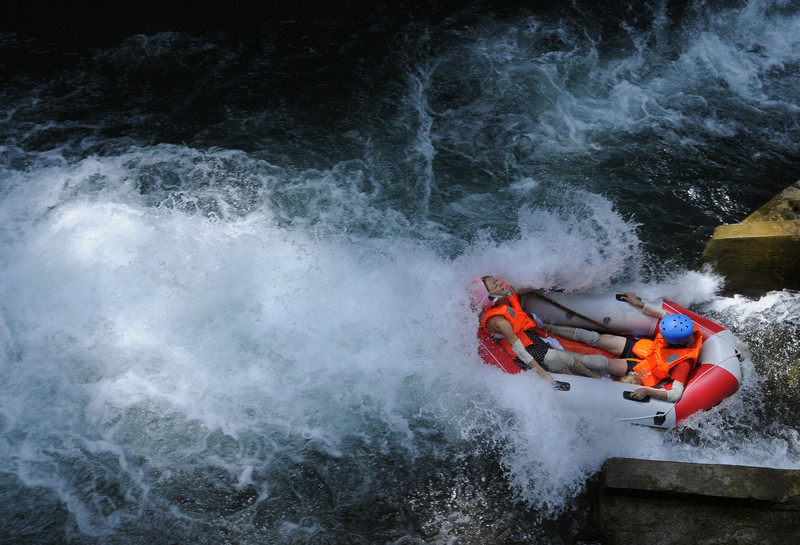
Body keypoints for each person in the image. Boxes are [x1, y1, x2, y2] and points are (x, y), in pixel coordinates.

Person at [540, 294, 703, 403]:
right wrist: (638, 303)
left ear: (675, 342)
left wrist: (647, 392)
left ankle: (552, 352)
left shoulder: (683, 363)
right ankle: (545, 327)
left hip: (643, 369)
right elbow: (664, 315)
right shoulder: (680, 324)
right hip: (646, 349)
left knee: (597, 362)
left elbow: (675, 395)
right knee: (593, 338)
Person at [470, 276, 603, 382]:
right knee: (556, 360)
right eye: (495, 285)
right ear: (491, 298)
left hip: (531, 339)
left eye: (496, 280)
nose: (499, 283)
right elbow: (519, 350)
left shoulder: (506, 294)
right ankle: (580, 382)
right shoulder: (498, 321)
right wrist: (543, 373)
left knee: (566, 359)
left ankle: (598, 378)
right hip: (525, 351)